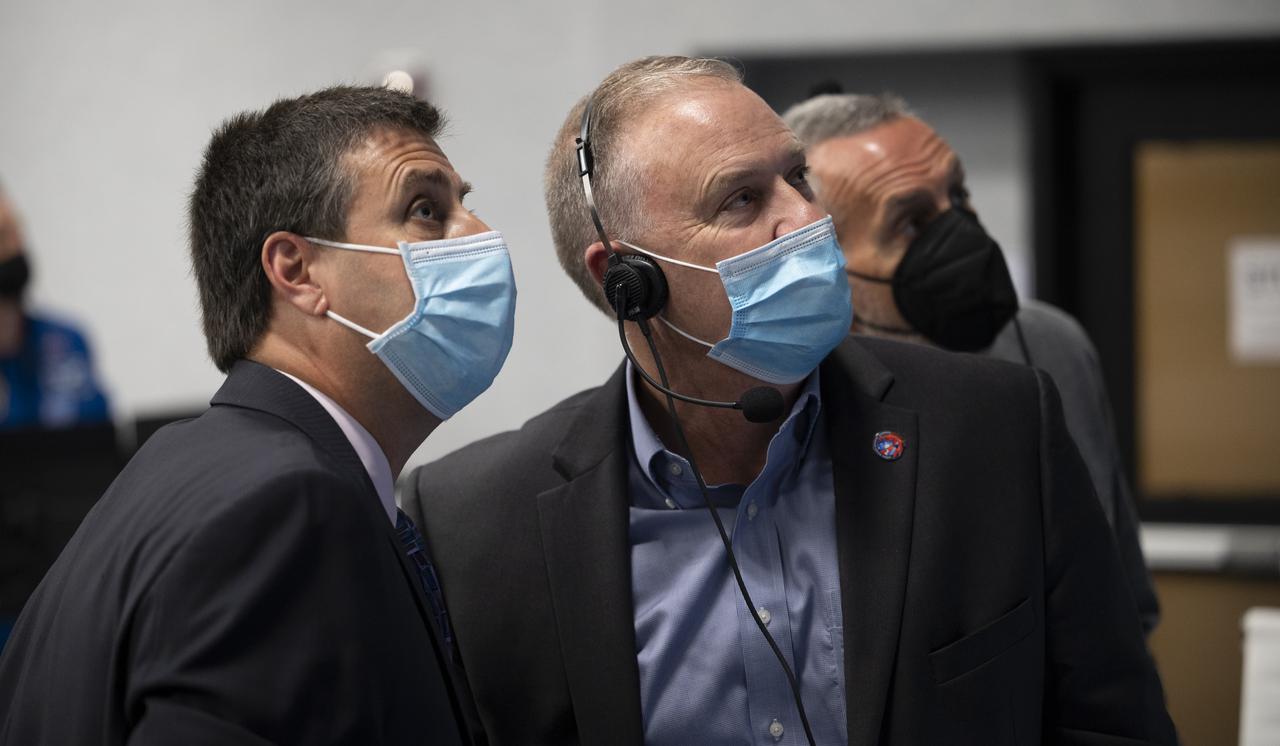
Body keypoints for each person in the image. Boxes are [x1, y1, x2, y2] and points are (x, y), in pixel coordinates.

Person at [403, 56, 1176, 745]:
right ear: (626, 280)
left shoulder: (998, 428)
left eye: (796, 177)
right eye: (741, 199)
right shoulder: (471, 519)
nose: (809, 218)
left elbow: (1110, 722)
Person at [0, 85, 515, 745]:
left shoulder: (185, 470)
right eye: (425, 209)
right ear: (295, 270)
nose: (478, 234)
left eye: (464, 203)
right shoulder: (286, 509)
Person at [780, 91, 1160, 636]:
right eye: (910, 222)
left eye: (958, 194)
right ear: (829, 271)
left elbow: (1122, 594)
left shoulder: (1051, 344)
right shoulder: (802, 398)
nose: (961, 231)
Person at [0, 185, 110, 429]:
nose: (17, 248)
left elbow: (101, 439)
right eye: (3, 237)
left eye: (17, 232)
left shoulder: (66, 341)